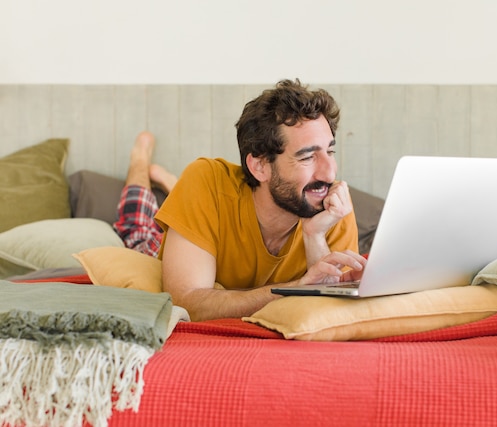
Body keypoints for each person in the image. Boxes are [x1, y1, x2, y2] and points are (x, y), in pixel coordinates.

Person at [154, 79, 366, 321]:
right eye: (307, 157)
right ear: (259, 167)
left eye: (329, 152)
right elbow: (185, 303)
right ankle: (145, 173)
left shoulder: (333, 207)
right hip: (156, 239)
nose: (329, 174)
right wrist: (297, 290)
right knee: (136, 228)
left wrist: (314, 236)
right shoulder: (206, 183)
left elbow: (332, 313)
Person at [113, 131, 177, 257]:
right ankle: (174, 186)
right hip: (175, 238)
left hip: (144, 249)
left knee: (134, 227)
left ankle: (140, 160)